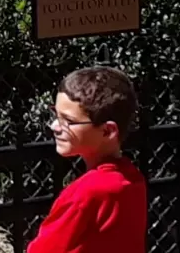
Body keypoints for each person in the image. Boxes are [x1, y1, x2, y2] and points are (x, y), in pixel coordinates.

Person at [27, 66, 148, 253]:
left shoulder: (86, 193)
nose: (54, 126)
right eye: (56, 115)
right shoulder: (133, 180)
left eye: (69, 121)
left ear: (107, 131)